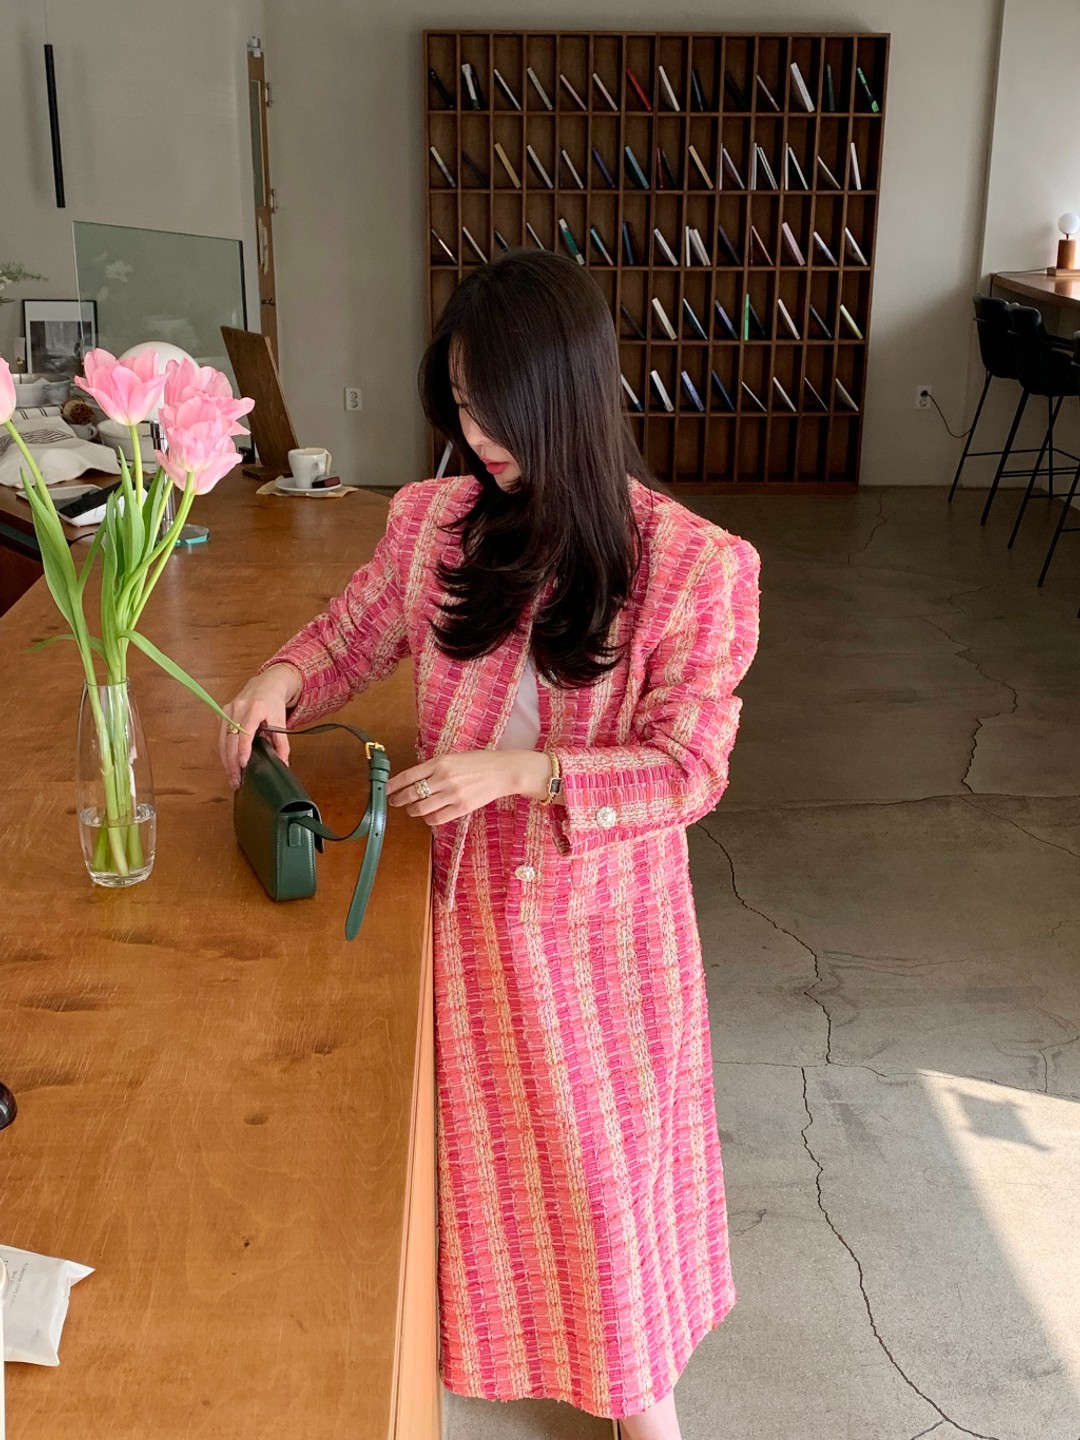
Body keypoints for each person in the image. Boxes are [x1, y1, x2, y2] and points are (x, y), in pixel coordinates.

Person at [219, 250, 760, 1440]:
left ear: (569, 396)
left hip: (599, 940)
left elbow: (691, 768)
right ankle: (485, 1368)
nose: (477, 436)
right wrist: (281, 678)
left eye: (498, 408)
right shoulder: (436, 522)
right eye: (461, 404)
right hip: (459, 913)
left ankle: (640, 1402)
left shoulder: (695, 566)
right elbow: (355, 632)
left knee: (602, 1182)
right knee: (487, 1169)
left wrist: (527, 772)